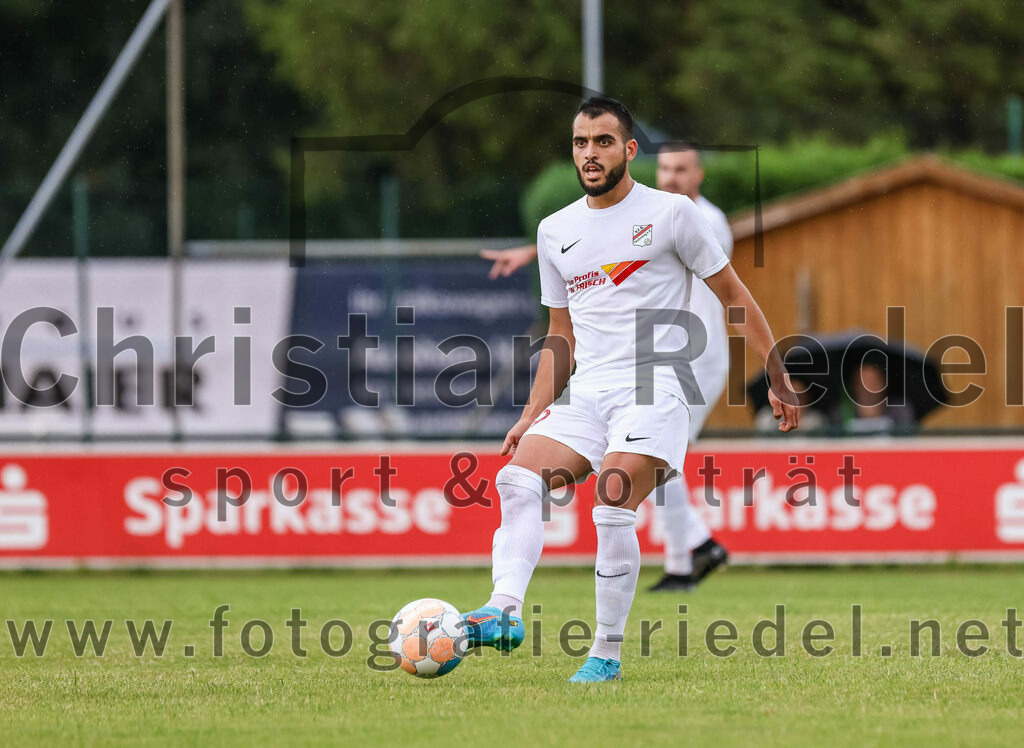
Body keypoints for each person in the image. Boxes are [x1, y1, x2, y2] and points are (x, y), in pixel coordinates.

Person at [462, 96, 799, 682]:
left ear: (629, 149)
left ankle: (605, 655)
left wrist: (776, 371)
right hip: (588, 389)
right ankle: (503, 611)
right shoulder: (555, 230)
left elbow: (734, 295)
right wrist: (532, 412)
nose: (590, 153)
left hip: (657, 384)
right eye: (580, 142)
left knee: (612, 498)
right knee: (517, 480)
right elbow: (560, 334)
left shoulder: (672, 214)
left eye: (603, 141)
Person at [482, 144, 735, 592]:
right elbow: (604, 244)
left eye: (681, 169)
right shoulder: (657, 213)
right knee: (650, 458)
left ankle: (691, 552)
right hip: (650, 359)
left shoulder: (701, 217)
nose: (671, 177)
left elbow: (629, 249)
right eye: (665, 168)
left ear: (699, 175)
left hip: (691, 356)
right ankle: (690, 553)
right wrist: (536, 250)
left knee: (653, 455)